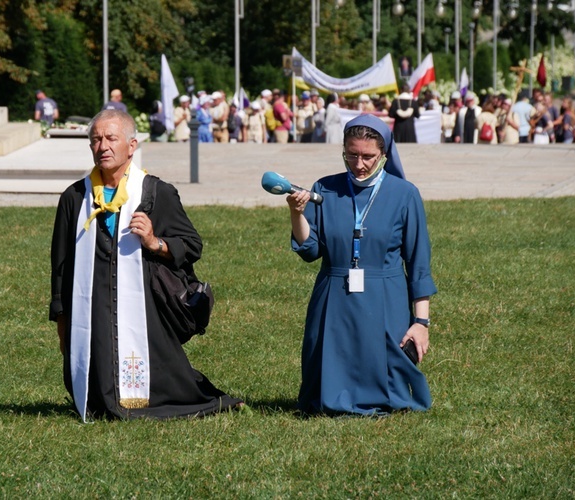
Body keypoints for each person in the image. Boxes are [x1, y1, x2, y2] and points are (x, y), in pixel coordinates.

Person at [49, 109, 242, 421]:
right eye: (96, 140)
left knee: (166, 381)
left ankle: (203, 400)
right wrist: (61, 319)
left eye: (111, 138)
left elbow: (192, 245)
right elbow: (61, 263)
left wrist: (155, 242)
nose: (103, 146)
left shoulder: (155, 192)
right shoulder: (75, 197)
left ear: (132, 145)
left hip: (144, 305)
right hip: (91, 307)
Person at [284, 113, 436, 416]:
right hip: (333, 290)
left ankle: (382, 397)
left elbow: (418, 264)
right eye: (351, 155)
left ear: (383, 154)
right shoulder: (324, 189)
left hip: (385, 293)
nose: (359, 163)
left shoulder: (405, 194)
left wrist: (421, 323)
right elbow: (310, 249)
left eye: (368, 156)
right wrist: (296, 213)